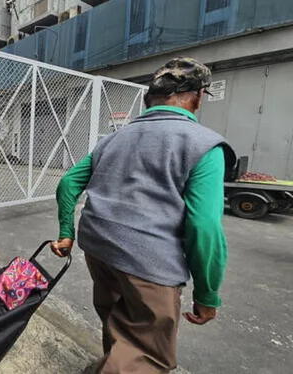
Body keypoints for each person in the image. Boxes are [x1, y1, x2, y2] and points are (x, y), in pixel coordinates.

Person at [51, 57, 236, 374]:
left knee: (115, 319)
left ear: (150, 97)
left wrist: (67, 232)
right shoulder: (204, 145)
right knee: (149, 353)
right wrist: (207, 293)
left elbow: (69, 183)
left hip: (98, 248)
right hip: (149, 262)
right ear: (198, 96)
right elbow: (203, 225)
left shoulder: (112, 139)